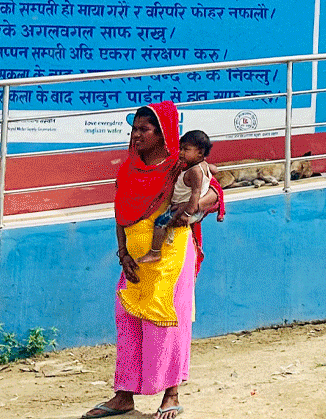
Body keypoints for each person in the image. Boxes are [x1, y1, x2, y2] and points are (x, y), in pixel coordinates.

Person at [85, 103, 198, 419]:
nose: (136, 135)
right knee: (128, 320)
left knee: (164, 321)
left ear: (162, 133)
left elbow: (214, 192)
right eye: (133, 129)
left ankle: (171, 395)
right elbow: (120, 214)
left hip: (170, 257)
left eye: (143, 129)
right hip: (134, 259)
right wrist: (122, 254)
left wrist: (190, 208)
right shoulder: (127, 170)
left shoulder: (179, 167)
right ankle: (124, 396)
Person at [140, 129, 219, 264]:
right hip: (192, 209)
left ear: (200, 153)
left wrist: (187, 213)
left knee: (159, 223)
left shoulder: (194, 171)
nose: (181, 153)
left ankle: (155, 252)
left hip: (185, 209)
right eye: (180, 149)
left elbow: (195, 193)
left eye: (186, 150)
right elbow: (215, 170)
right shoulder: (204, 166)